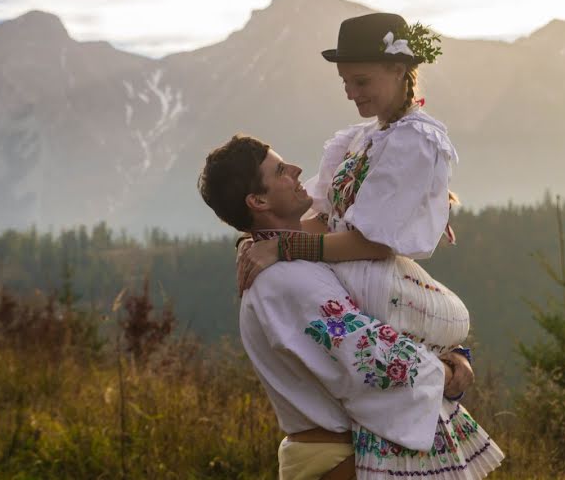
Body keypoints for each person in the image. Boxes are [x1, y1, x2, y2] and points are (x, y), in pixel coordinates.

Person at [236, 13, 504, 478]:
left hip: (375, 273)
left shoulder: (417, 139)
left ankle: (442, 375)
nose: (350, 93)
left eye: (360, 80)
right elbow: (318, 219)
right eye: (344, 81)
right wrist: (263, 239)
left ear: (400, 70)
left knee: (421, 337)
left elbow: (374, 243)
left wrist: (282, 249)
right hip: (350, 274)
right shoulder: (359, 139)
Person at [198, 135, 477, 480]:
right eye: (281, 170)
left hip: (333, 453)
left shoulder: (298, 260)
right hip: (334, 460)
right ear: (257, 200)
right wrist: (445, 375)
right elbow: (369, 357)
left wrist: (455, 354)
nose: (298, 170)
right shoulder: (285, 281)